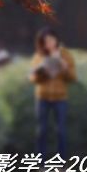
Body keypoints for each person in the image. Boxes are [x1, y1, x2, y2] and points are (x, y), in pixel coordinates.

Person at [29, 27, 75, 159]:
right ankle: (41, 164)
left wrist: (64, 67)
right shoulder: (39, 55)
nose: (48, 43)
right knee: (41, 131)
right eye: (45, 41)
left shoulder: (65, 55)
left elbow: (72, 77)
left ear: (56, 40)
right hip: (42, 97)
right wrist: (43, 73)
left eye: (50, 40)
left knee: (61, 131)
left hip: (60, 98)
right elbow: (32, 77)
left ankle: (61, 164)